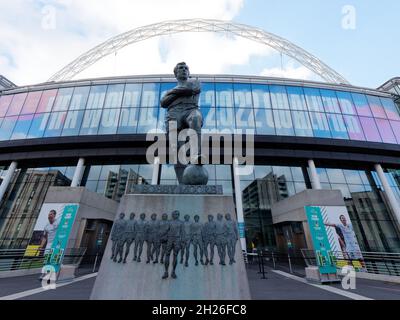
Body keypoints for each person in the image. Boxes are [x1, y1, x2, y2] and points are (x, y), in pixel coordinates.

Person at [160, 62, 203, 183]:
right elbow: (163, 103)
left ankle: (196, 156)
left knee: (195, 119)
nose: (184, 70)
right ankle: (182, 183)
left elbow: (192, 89)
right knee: (178, 151)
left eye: (186, 68)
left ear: (189, 73)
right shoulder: (172, 89)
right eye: (180, 68)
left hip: (191, 109)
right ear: (176, 73)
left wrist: (173, 93)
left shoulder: (195, 82)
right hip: (173, 115)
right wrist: (180, 91)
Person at [162, 210, 184, 279]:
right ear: (172, 215)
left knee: (175, 256)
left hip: (177, 239)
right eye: (175, 214)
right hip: (170, 239)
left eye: (177, 214)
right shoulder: (169, 222)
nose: (176, 215)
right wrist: (161, 237)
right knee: (167, 255)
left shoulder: (181, 222)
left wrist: (182, 242)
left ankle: (173, 272)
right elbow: (165, 230)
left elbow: (183, 233)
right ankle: (166, 272)